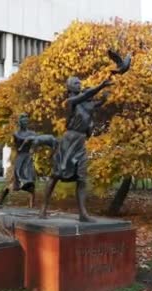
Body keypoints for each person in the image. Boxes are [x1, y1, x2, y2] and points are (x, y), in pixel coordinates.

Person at [39, 77, 112, 222]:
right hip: (68, 141)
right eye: (76, 83)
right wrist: (101, 85)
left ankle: (83, 214)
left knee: (82, 178)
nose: (80, 84)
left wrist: (104, 97)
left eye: (80, 82)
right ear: (70, 87)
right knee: (56, 175)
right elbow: (86, 95)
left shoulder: (85, 104)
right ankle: (43, 208)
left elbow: (94, 104)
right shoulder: (71, 102)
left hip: (80, 142)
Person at [0, 113, 56, 208]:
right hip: (20, 158)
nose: (25, 122)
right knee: (15, 185)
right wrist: (29, 139)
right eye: (23, 121)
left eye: (26, 121)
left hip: (28, 159)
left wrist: (33, 139)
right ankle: (1, 200)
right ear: (20, 122)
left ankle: (31, 206)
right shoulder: (16, 134)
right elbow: (17, 143)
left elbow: (38, 140)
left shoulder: (32, 133)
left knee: (31, 183)